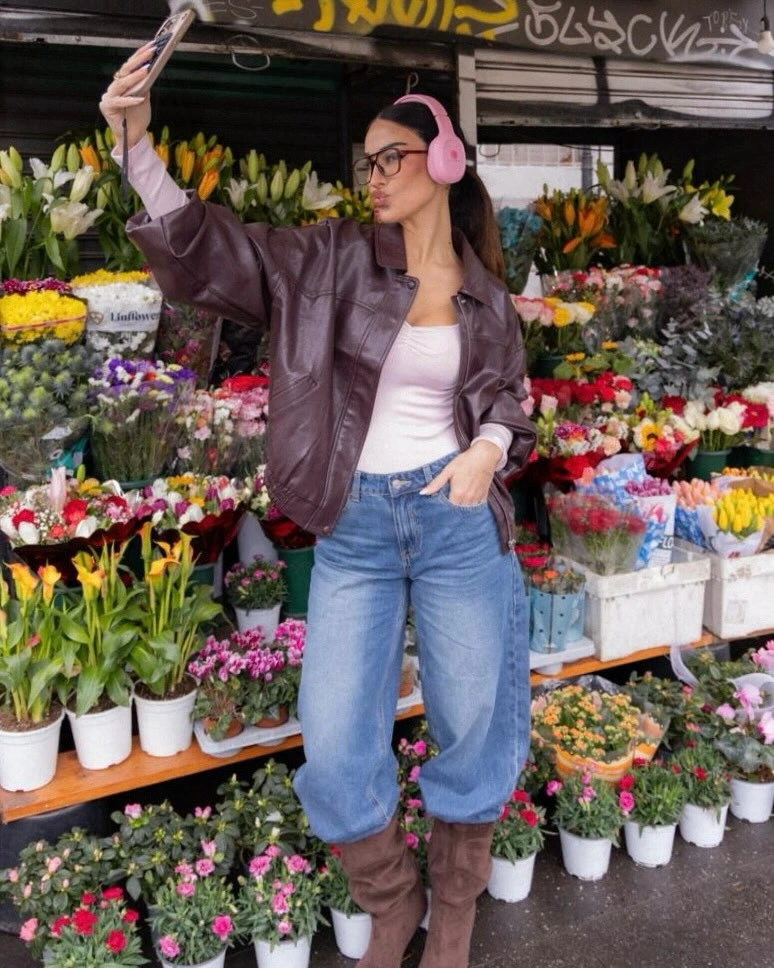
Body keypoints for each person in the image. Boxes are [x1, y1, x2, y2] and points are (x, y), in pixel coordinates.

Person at [100, 49, 536, 968]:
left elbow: (508, 400)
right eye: (365, 161)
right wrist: (136, 145)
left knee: (473, 725)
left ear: (443, 161)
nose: (372, 176)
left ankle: (454, 915)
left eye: (390, 158)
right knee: (335, 745)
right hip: (357, 528)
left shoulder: (488, 296)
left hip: (458, 527)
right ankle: (393, 901)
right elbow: (216, 253)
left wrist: (488, 450)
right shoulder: (326, 260)